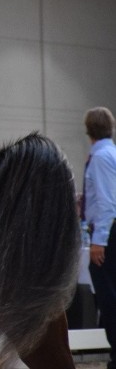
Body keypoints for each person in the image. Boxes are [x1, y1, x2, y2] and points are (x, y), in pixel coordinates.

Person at [84, 106, 116, 369]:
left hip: (107, 234)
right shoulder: (110, 153)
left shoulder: (101, 158)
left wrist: (99, 241)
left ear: (87, 130)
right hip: (109, 232)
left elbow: (107, 203)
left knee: (109, 299)